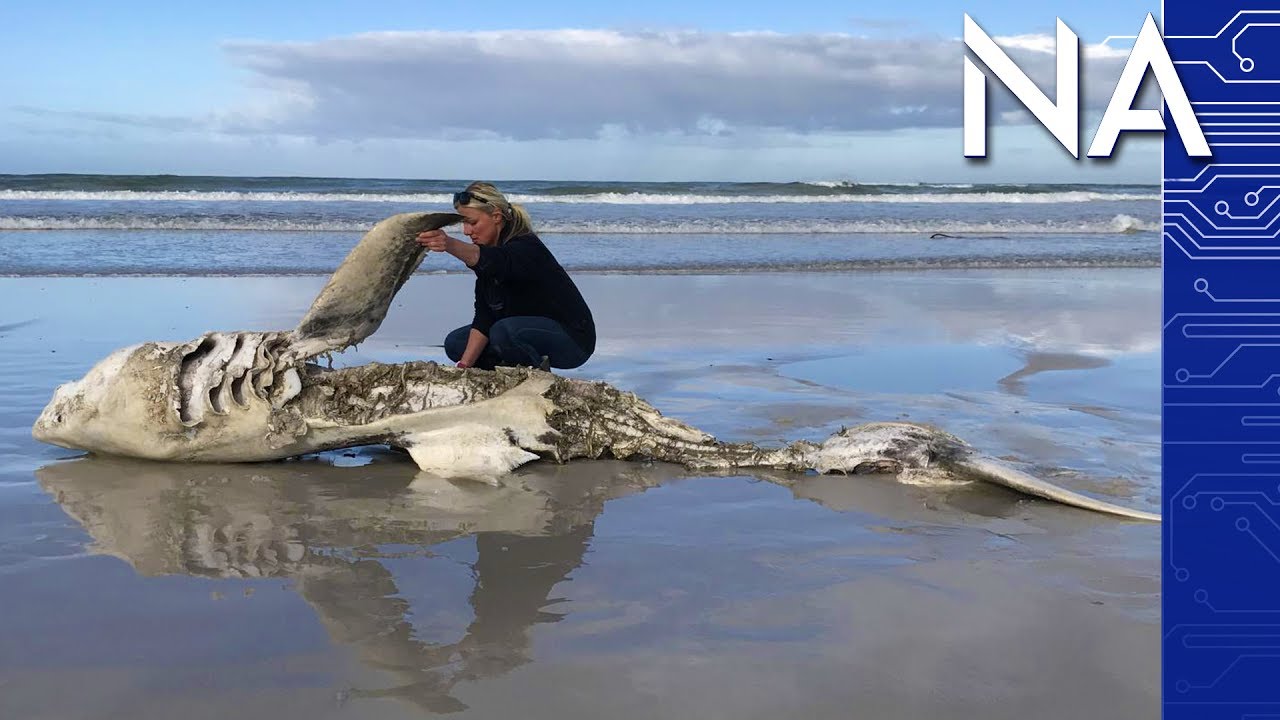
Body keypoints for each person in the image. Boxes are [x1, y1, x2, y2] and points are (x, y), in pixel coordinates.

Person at [416, 182, 596, 371]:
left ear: (496, 216)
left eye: (472, 222)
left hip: (572, 341)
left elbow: (495, 261)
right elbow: (485, 317)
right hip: (518, 332)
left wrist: (449, 244)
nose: (466, 231)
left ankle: (538, 380)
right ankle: (504, 375)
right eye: (463, 223)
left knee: (503, 332)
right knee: (456, 343)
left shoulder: (526, 247)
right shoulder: (490, 256)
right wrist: (463, 366)